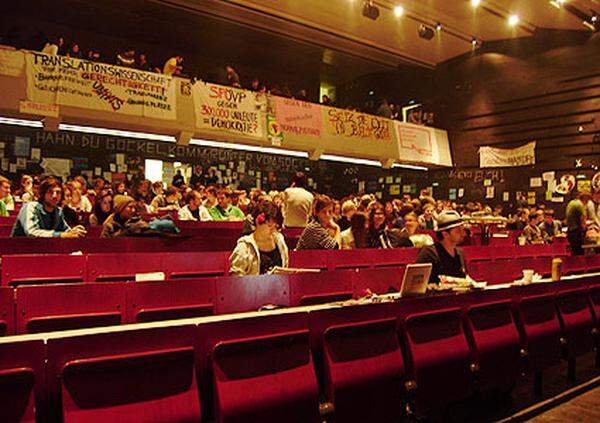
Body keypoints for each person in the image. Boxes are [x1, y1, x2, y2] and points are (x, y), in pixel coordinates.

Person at [11, 177, 86, 238]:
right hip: (19, 251)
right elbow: (31, 232)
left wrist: (74, 231)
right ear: (43, 194)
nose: (54, 196)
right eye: (50, 192)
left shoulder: (58, 211)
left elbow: (65, 231)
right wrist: (61, 235)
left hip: (42, 250)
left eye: (58, 192)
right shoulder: (30, 207)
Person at [229, 201, 288, 276]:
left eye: (276, 226)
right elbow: (236, 277)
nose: (273, 229)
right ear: (258, 222)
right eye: (270, 225)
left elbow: (285, 267)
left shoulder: (279, 240)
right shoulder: (244, 246)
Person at [416, 210, 468, 284]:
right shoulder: (429, 254)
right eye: (458, 231)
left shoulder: (460, 253)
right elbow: (417, 284)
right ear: (445, 234)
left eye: (462, 230)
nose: (463, 234)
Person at [565, 191, 590, 256]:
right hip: (576, 233)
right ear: (586, 199)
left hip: (570, 232)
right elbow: (583, 221)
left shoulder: (571, 202)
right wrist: (586, 230)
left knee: (574, 253)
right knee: (579, 253)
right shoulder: (580, 205)